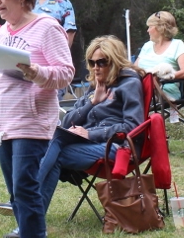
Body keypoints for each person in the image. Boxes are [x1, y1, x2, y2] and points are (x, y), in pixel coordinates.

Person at [0, 0, 74, 238]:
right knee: (15, 194)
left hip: (32, 120)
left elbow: (66, 72)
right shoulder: (4, 31)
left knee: (26, 189)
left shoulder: (47, 27)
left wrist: (36, 72)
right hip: (3, 122)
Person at [36, 36, 146, 211]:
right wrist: (92, 103)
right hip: (91, 145)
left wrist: (90, 134)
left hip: (117, 146)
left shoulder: (129, 83)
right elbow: (66, 121)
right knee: (56, 139)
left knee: (56, 151)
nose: (96, 67)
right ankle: (30, 214)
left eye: (102, 62)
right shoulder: (95, 86)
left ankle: (26, 203)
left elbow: (133, 126)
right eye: (92, 62)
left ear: (114, 61)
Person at [134, 11, 184, 118]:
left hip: (164, 90)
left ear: (159, 28)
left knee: (150, 79)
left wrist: (163, 76)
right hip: (140, 87)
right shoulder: (147, 46)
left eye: (150, 27)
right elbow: (134, 69)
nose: (147, 30)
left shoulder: (177, 45)